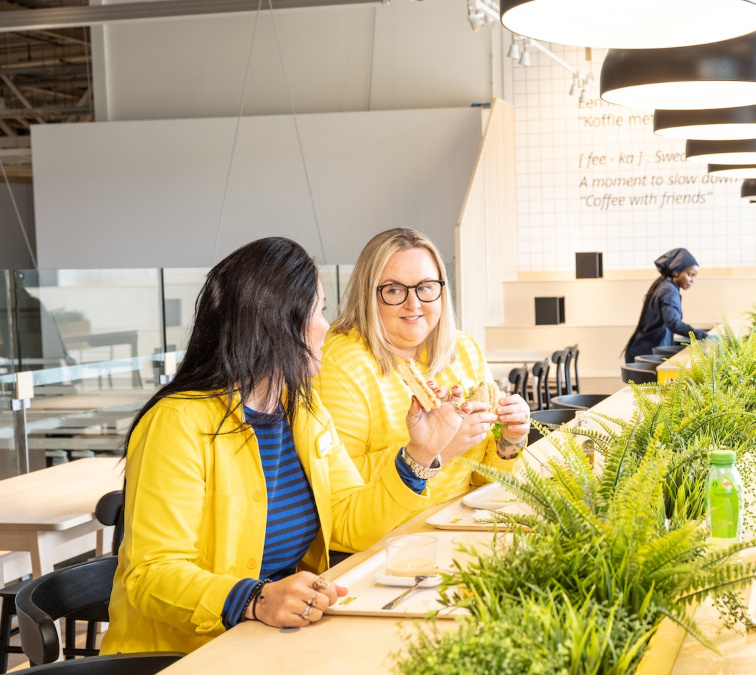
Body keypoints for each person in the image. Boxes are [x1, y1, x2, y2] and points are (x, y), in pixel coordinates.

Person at [103, 237, 477, 654]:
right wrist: (255, 598)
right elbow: (151, 574)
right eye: (317, 311)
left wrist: (421, 455)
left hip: (272, 641)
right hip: (183, 655)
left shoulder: (303, 410)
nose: (326, 327)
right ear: (278, 323)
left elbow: (350, 522)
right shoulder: (177, 423)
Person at [314, 228, 530, 526]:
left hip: (459, 522)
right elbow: (335, 483)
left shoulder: (463, 349)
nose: (413, 304)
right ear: (368, 295)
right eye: (393, 290)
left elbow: (482, 480)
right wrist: (434, 452)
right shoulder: (341, 361)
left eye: (426, 287)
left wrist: (510, 441)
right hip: (387, 538)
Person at [622, 248, 707, 362]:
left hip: (644, 350)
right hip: (646, 354)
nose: (693, 280)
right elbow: (674, 323)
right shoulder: (669, 291)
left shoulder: (666, 286)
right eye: (690, 275)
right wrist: (701, 335)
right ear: (676, 272)